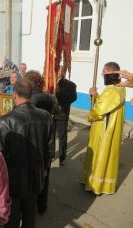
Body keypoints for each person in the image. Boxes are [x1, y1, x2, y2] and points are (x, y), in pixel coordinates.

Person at [0, 79, 53, 228]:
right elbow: (50, 150)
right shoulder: (45, 116)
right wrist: (43, 170)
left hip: (13, 181)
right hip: (35, 176)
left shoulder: (5, 121)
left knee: (12, 218)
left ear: (15, 94)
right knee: (29, 216)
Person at [80, 62, 126, 195]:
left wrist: (89, 116)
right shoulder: (118, 88)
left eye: (104, 72)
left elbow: (99, 110)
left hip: (104, 131)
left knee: (100, 155)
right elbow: (106, 105)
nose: (101, 74)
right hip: (104, 127)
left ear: (110, 73)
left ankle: (96, 185)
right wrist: (95, 96)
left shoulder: (113, 90)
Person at [25, 70, 56, 215]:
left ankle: (28, 208)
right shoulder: (49, 97)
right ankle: (42, 206)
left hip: (32, 137)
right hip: (46, 136)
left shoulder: (29, 99)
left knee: (30, 176)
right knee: (45, 175)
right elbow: (58, 111)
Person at [54, 66, 77, 165]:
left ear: (63, 72)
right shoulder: (49, 82)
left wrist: (59, 93)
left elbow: (73, 98)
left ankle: (62, 157)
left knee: (62, 136)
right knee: (50, 136)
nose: (57, 71)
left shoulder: (70, 84)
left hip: (62, 114)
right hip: (50, 114)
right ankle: (50, 155)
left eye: (59, 70)